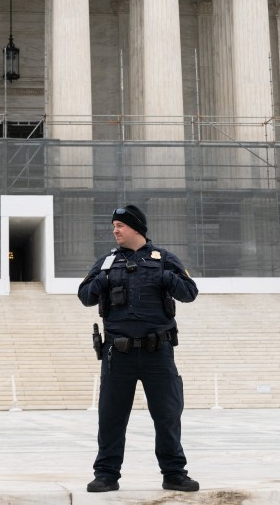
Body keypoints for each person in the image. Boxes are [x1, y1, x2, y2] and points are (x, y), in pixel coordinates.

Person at [78, 205, 200, 493]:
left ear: (136, 228)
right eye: (114, 226)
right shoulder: (107, 262)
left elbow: (189, 292)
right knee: (111, 417)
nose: (115, 230)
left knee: (167, 414)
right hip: (117, 354)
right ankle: (106, 474)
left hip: (157, 352)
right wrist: (102, 280)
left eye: (120, 225)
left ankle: (174, 473)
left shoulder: (164, 259)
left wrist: (166, 277)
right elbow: (85, 296)